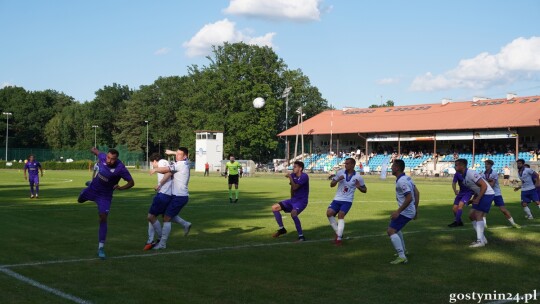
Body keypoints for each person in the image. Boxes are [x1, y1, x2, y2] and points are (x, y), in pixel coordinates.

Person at [78, 148, 135, 259]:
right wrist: (92, 150)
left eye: (112, 159)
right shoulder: (103, 157)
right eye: (108, 158)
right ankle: (86, 188)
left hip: (105, 196)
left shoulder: (120, 168)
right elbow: (97, 152)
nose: (109, 160)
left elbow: (131, 182)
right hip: (93, 189)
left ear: (117, 159)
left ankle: (101, 247)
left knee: (103, 217)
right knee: (80, 200)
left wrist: (121, 188)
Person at [144, 153, 191, 250]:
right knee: (165, 216)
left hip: (164, 194)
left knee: (151, 216)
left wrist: (160, 184)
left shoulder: (162, 162)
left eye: (152, 164)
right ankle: (185, 224)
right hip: (167, 194)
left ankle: (160, 239)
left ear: (155, 161)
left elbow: (169, 172)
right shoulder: (166, 162)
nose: (152, 166)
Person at [454, 159, 494, 248]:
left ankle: (480, 241)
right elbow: (476, 188)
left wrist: (478, 198)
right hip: (480, 194)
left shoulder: (471, 173)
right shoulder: (463, 176)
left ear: (462, 166)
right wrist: (473, 199)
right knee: (471, 215)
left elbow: (484, 185)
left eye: (456, 165)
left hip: (487, 194)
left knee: (478, 215)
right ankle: (483, 239)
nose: (455, 167)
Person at [327, 158, 367, 246]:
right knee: (329, 213)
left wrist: (359, 187)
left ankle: (338, 239)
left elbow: (365, 190)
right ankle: (339, 233)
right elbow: (331, 185)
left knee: (341, 215)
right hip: (337, 199)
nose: (346, 165)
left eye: (348, 164)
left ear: (353, 165)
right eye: (345, 163)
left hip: (347, 200)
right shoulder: (340, 173)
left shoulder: (358, 177)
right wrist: (337, 180)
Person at [387, 159, 419, 264]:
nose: (391, 168)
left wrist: (398, 211)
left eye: (392, 166)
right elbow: (417, 192)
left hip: (406, 211)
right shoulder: (407, 178)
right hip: (410, 210)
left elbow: (409, 197)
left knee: (391, 231)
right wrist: (416, 209)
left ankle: (402, 256)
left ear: (397, 168)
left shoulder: (402, 181)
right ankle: (403, 251)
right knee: (396, 229)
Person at [271, 161, 309, 242]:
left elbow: (295, 187)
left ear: (300, 168)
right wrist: (292, 199)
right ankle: (282, 229)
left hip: (302, 201)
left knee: (293, 214)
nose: (293, 168)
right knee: (274, 207)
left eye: (295, 167)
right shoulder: (293, 175)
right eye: (293, 166)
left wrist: (290, 177)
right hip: (294, 200)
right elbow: (292, 188)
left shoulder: (304, 176)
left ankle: (301, 237)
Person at [482, 160, 520, 228]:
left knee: (503, 209)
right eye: (485, 164)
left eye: (487, 164)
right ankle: (484, 225)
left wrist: (485, 182)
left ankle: (513, 223)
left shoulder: (494, 173)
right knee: (484, 209)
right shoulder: (482, 173)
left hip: (496, 193)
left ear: (491, 165)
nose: (486, 165)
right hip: (487, 193)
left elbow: (492, 185)